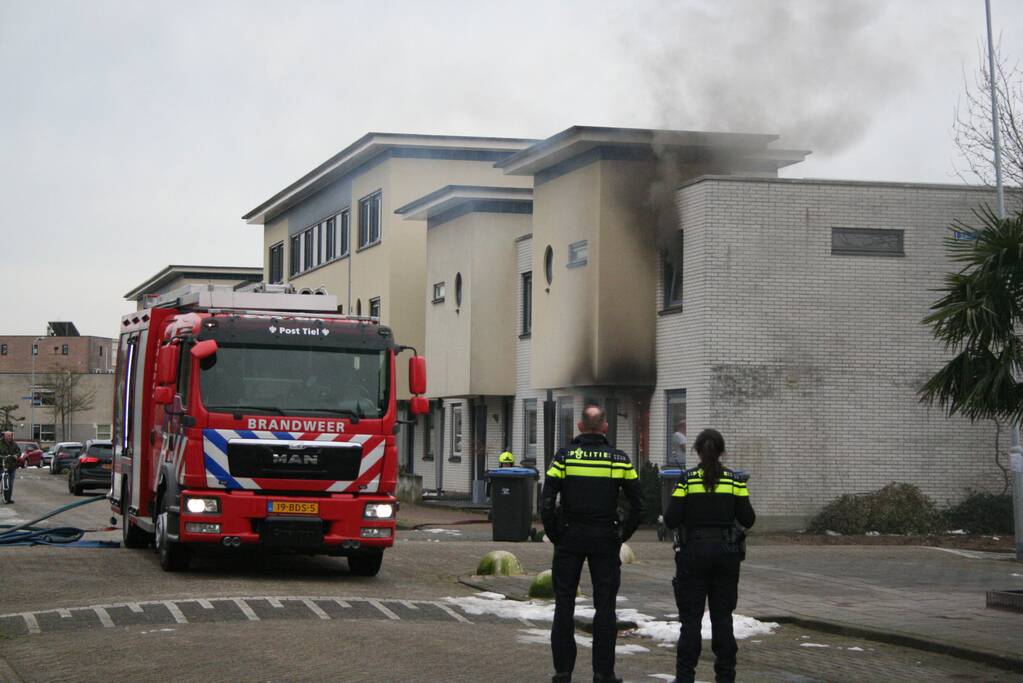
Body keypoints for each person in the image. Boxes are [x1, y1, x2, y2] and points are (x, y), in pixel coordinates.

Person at [540, 404, 644, 683]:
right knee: (605, 607)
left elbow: (547, 500)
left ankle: (563, 672)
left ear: (580, 427)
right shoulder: (619, 459)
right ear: (605, 428)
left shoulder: (564, 457)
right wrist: (622, 534)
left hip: (570, 536)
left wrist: (555, 533)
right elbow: (639, 504)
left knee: (564, 604)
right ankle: (603, 673)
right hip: (604, 538)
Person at [664, 428, 755, 683]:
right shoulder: (735, 481)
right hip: (727, 555)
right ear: (722, 451)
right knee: (723, 618)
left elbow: (671, 519)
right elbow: (748, 518)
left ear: (697, 451)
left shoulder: (686, 480)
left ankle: (685, 677)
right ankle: (726, 676)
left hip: (693, 554)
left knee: (690, 621)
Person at [1, 431, 21, 503]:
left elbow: (19, 451)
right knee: (3, 481)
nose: (10, 437)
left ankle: (8, 499)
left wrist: (16, 455)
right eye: (8, 436)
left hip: (12, 466)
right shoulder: (0, 443)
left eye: (10, 436)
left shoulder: (14, 444)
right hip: (2, 465)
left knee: (10, 483)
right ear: (4, 436)